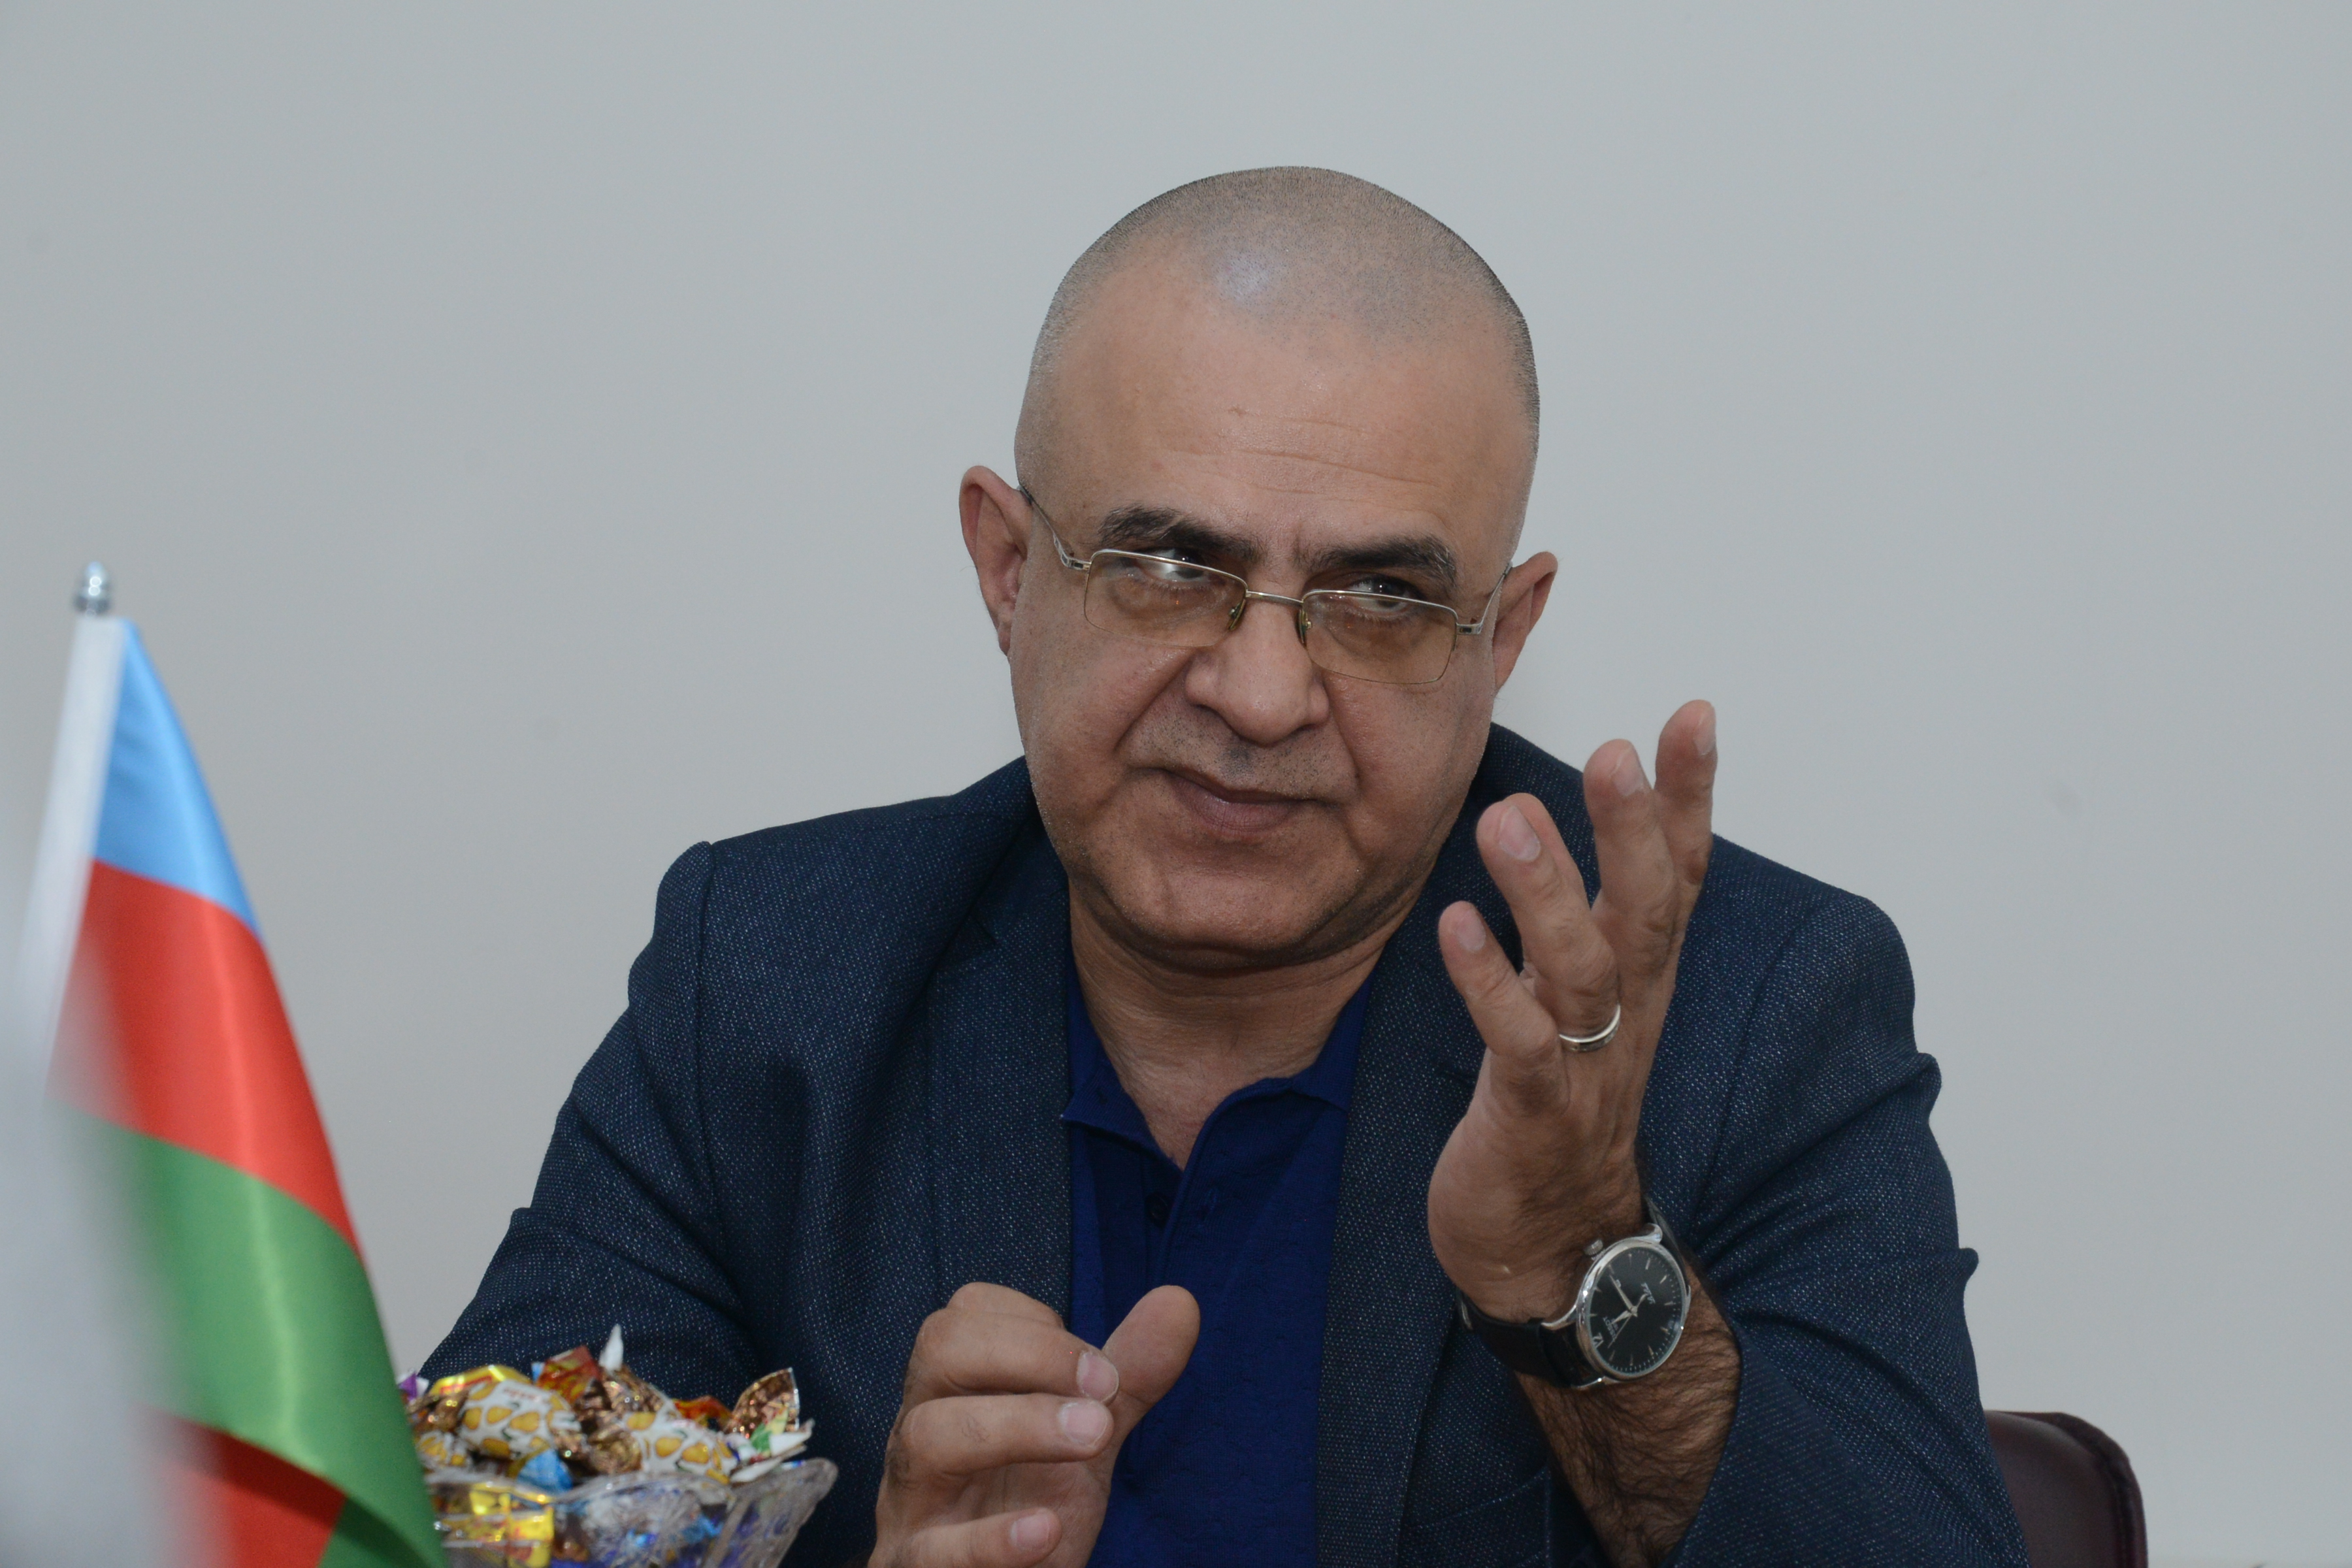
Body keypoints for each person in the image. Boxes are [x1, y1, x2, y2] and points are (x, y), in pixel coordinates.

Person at [425, 168, 2031, 1568]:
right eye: (1169, 564)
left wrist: (1584, 1273)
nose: (1263, 695)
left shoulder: (1747, 1012)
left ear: (1501, 639)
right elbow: (452, 1529)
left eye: (1384, 598)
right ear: (1008, 569)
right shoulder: (776, 981)